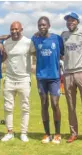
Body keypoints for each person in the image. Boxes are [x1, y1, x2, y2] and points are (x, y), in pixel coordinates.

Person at [0, 21, 35, 142]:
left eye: (16, 29)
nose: (14, 31)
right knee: (8, 107)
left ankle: (24, 133)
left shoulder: (28, 42)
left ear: (21, 29)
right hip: (10, 79)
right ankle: (10, 132)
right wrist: (0, 38)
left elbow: (36, 54)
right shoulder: (6, 42)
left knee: (25, 107)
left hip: (24, 79)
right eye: (12, 29)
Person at [61, 12, 82, 143]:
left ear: (77, 22)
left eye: (72, 21)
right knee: (71, 106)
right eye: (68, 21)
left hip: (81, 72)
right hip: (68, 73)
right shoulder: (63, 35)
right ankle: (73, 133)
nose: (70, 23)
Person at [32, 16, 64, 144]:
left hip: (54, 77)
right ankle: (47, 134)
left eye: (44, 25)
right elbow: (33, 52)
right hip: (41, 77)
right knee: (44, 104)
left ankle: (57, 133)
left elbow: (62, 53)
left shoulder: (57, 38)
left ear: (49, 25)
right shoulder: (35, 39)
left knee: (55, 104)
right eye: (39, 25)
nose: (41, 27)